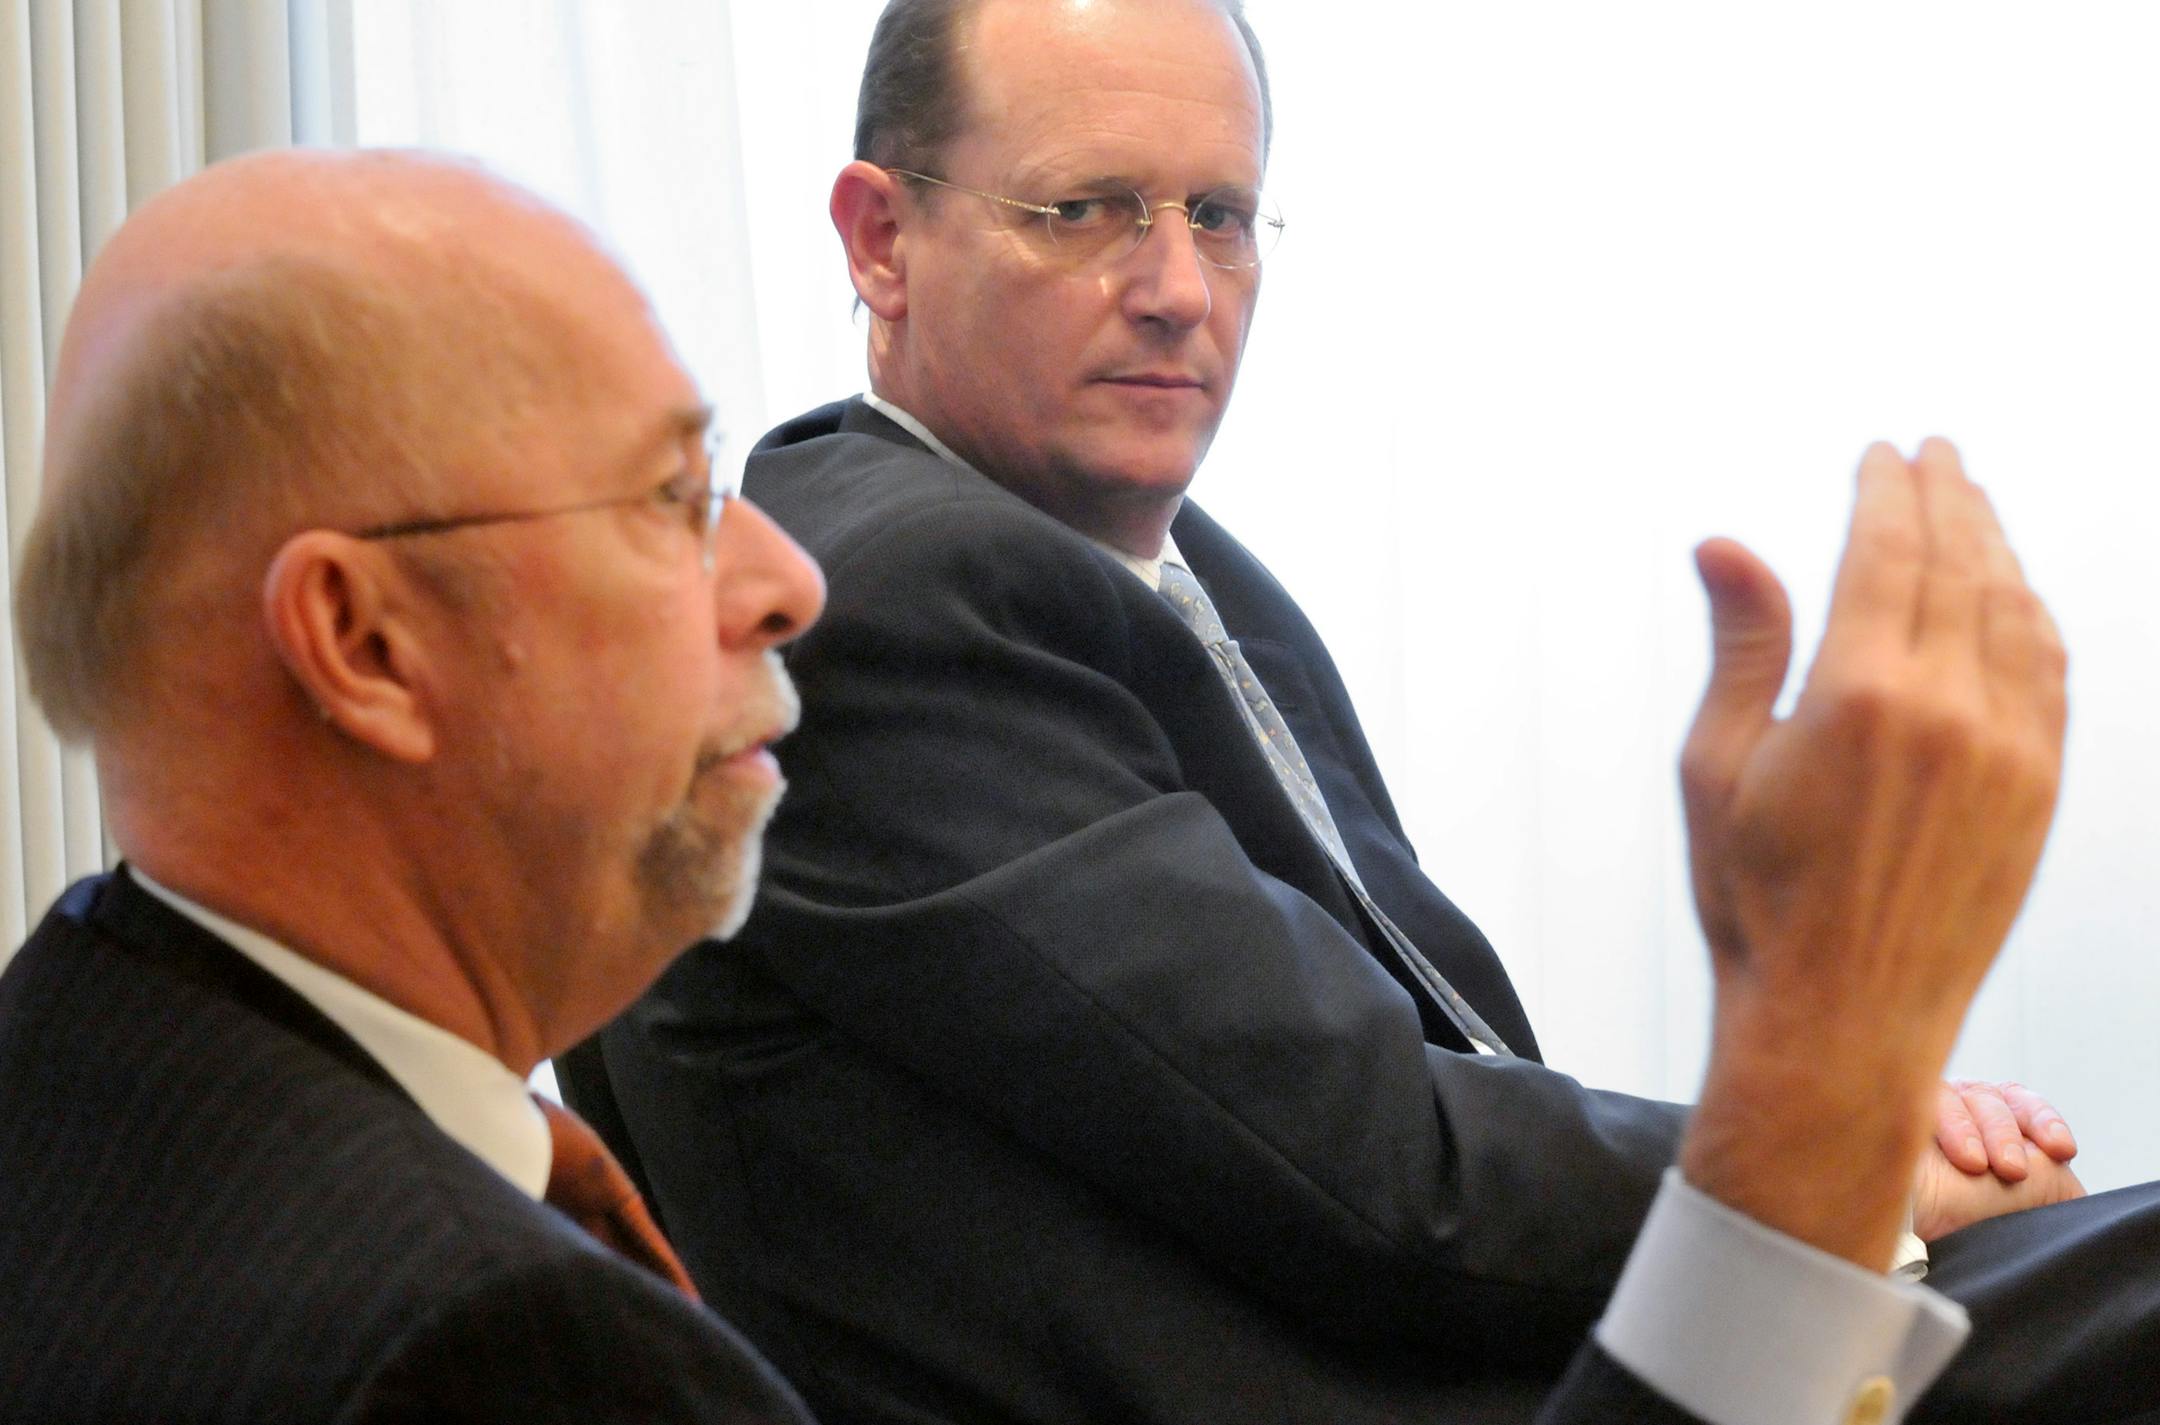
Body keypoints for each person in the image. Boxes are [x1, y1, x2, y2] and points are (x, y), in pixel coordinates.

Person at [561, 2, 2160, 1422]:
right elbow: (1379, 1176)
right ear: (879, 240)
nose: (1180, 287)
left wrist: (1862, 1155)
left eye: (1223, 214)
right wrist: (1848, 1149)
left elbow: (1429, 1086)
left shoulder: (1175, 574)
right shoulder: (887, 600)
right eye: (1087, 210)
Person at [0, 148, 830, 1422]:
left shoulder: (66, 1066)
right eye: (672, 498)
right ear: (365, 642)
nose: (788, 583)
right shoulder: (498, 1356)